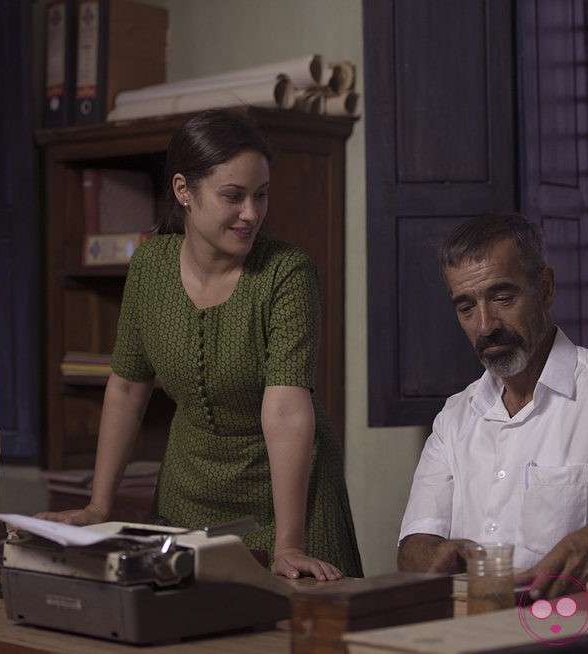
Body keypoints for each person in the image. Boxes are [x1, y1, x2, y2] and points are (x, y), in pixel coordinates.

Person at [37, 108, 363, 580]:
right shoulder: (149, 267)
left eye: (261, 196)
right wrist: (98, 505)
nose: (251, 213)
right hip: (187, 496)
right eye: (233, 196)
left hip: (290, 501)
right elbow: (128, 389)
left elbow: (287, 409)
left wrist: (289, 544)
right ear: (183, 191)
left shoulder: (285, 274)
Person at [396, 213, 588, 599]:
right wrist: (440, 554)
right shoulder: (454, 417)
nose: (484, 325)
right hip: (475, 626)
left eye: (502, 297)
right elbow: (412, 549)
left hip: (582, 633)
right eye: (466, 307)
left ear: (545, 288)